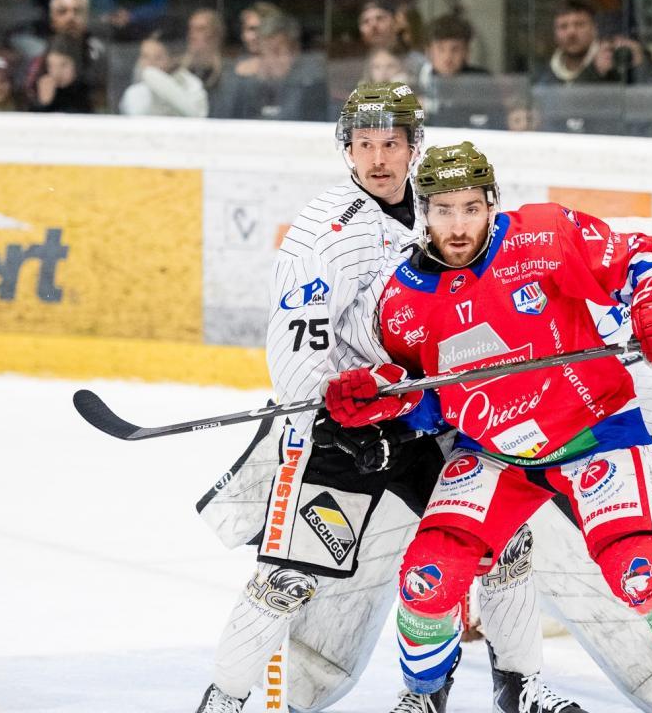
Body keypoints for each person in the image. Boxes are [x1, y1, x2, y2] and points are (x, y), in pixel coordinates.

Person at [323, 142, 652, 712]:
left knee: (639, 570)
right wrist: (377, 401)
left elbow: (646, 257)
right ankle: (425, 697)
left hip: (593, 433)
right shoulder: (402, 299)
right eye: (443, 210)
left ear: (492, 203)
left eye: (470, 208)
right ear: (423, 212)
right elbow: (425, 398)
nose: (457, 226)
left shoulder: (543, 235)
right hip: (494, 453)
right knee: (428, 576)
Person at [194, 82, 586, 713]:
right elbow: (295, 341)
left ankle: (517, 687)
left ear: (414, 146)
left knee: (504, 545)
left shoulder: (436, 212)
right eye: (364, 144)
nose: (378, 158)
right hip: (343, 427)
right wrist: (328, 419)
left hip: (427, 422)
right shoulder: (328, 230)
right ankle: (224, 701)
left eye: (391, 143)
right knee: (287, 580)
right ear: (347, 149)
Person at [530, 0, 652, 137]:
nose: (571, 32)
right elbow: (564, 114)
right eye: (563, 27)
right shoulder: (542, 75)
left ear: (594, 30)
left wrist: (642, 66)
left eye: (580, 24)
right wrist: (595, 71)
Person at [209, 11, 328, 122]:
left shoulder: (309, 82)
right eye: (264, 52)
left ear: (294, 51)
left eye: (277, 52)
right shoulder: (244, 82)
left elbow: (289, 121)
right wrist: (238, 82)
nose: (269, 60)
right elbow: (223, 120)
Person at [418, 13, 507, 130]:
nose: (447, 57)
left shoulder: (481, 81)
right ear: (428, 51)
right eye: (440, 49)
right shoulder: (420, 81)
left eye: (455, 49)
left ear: (466, 52)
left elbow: (498, 121)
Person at [22, 0, 105, 107]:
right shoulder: (37, 52)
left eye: (77, 11)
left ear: (86, 18)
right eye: (62, 11)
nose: (70, 17)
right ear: (52, 19)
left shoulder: (98, 53)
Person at [118, 30, 207, 116]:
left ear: (172, 60)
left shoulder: (192, 85)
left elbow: (197, 115)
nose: (150, 64)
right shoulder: (133, 93)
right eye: (145, 56)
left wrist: (152, 76)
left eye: (158, 58)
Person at [28, 34, 92, 112]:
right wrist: (42, 103)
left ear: (77, 65)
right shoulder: (41, 86)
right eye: (50, 65)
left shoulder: (88, 90)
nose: (56, 73)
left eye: (63, 65)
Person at [181, 8, 226, 92]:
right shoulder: (177, 69)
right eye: (191, 29)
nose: (192, 35)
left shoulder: (229, 72)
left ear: (216, 34)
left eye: (200, 29)